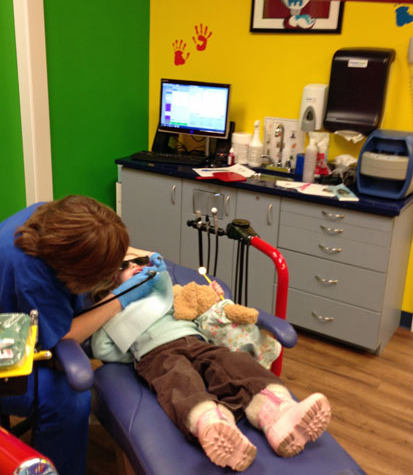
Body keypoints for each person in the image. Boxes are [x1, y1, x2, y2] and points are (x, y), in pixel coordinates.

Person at [92, 254, 332, 472]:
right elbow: (101, 346)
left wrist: (215, 299)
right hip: (156, 353)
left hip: (197, 341)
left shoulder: (166, 292)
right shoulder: (116, 309)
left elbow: (199, 309)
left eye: (140, 261)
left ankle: (278, 413)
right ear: (113, 282)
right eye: (124, 265)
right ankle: (212, 423)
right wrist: (133, 350)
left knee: (233, 362)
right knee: (179, 380)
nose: (135, 265)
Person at [0, 195, 159, 475]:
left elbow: (101, 240)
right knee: (69, 399)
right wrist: (121, 297)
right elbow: (65, 337)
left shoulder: (52, 218)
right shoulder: (30, 272)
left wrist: (138, 255)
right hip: (6, 358)